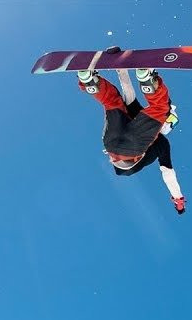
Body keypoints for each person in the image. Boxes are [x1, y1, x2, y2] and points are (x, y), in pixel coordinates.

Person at [77, 64, 186, 215]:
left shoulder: (159, 140)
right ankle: (90, 80)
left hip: (127, 150)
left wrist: (122, 70)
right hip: (112, 146)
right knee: (113, 101)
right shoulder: (160, 141)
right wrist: (121, 66)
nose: (169, 124)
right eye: (172, 120)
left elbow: (129, 94)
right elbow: (168, 174)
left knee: (155, 106)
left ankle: (145, 79)